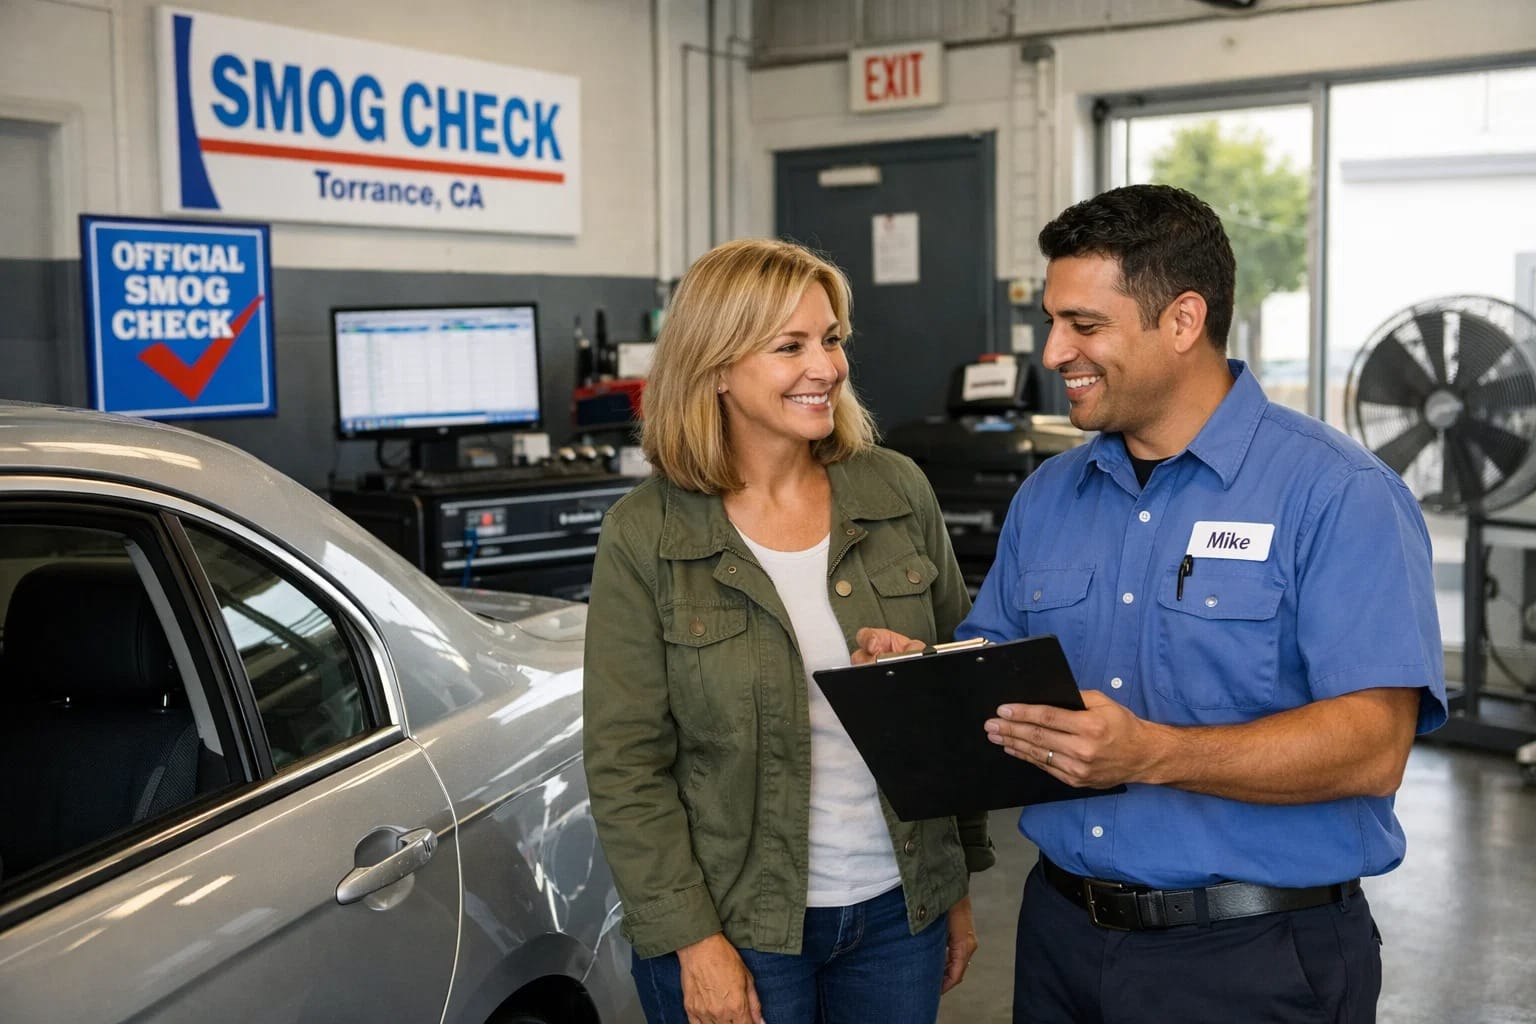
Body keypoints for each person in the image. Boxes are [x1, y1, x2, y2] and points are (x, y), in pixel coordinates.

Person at [958, 184, 1448, 1023]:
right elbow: (994, 673)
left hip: (1253, 963)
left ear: (1183, 321)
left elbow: (1374, 747)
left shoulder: (1338, 495)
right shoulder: (1048, 496)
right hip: (1059, 941)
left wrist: (1150, 754)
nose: (1052, 350)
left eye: (1084, 324)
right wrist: (922, 677)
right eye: (1052, 320)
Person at [583, 238, 994, 1024]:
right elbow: (626, 764)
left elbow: (955, 706)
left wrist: (957, 881)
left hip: (896, 911)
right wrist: (691, 941)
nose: (827, 367)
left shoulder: (896, 489)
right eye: (791, 346)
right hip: (739, 929)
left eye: (832, 339)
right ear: (716, 368)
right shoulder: (646, 533)